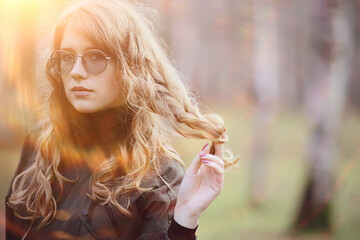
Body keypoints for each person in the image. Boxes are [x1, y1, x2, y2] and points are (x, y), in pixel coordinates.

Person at [5, 0, 236, 239]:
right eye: (67, 56)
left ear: (129, 66)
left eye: (95, 57)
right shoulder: (40, 146)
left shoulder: (159, 174)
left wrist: (184, 221)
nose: (76, 71)